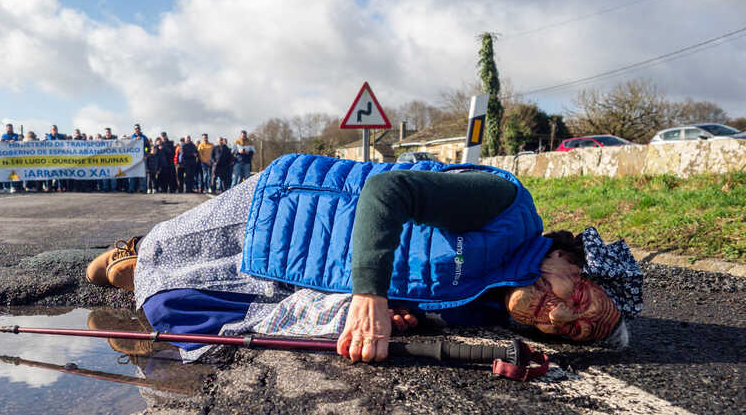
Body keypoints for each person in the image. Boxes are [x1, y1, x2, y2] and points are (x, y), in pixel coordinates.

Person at [85, 154, 641, 364]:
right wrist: (372, 296)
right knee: (168, 248)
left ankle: (142, 272)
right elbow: (387, 193)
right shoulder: (507, 209)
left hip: (307, 272)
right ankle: (140, 247)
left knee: (177, 308)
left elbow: (427, 289)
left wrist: (405, 315)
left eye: (576, 332)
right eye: (583, 300)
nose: (564, 315)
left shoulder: (495, 307)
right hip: (296, 208)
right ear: (573, 262)